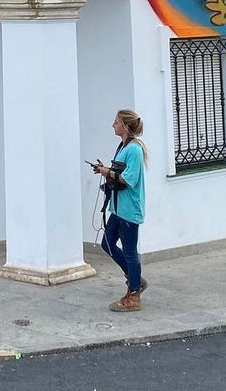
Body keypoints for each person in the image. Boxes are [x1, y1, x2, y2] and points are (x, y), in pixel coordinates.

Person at [94, 109, 147, 312]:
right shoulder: (123, 146)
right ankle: (135, 279)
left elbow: (129, 179)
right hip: (118, 207)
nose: (113, 125)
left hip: (128, 209)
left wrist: (107, 171)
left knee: (130, 251)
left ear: (125, 126)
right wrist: (106, 170)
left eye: (116, 122)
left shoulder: (134, 149)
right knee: (107, 243)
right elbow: (120, 172)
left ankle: (134, 295)